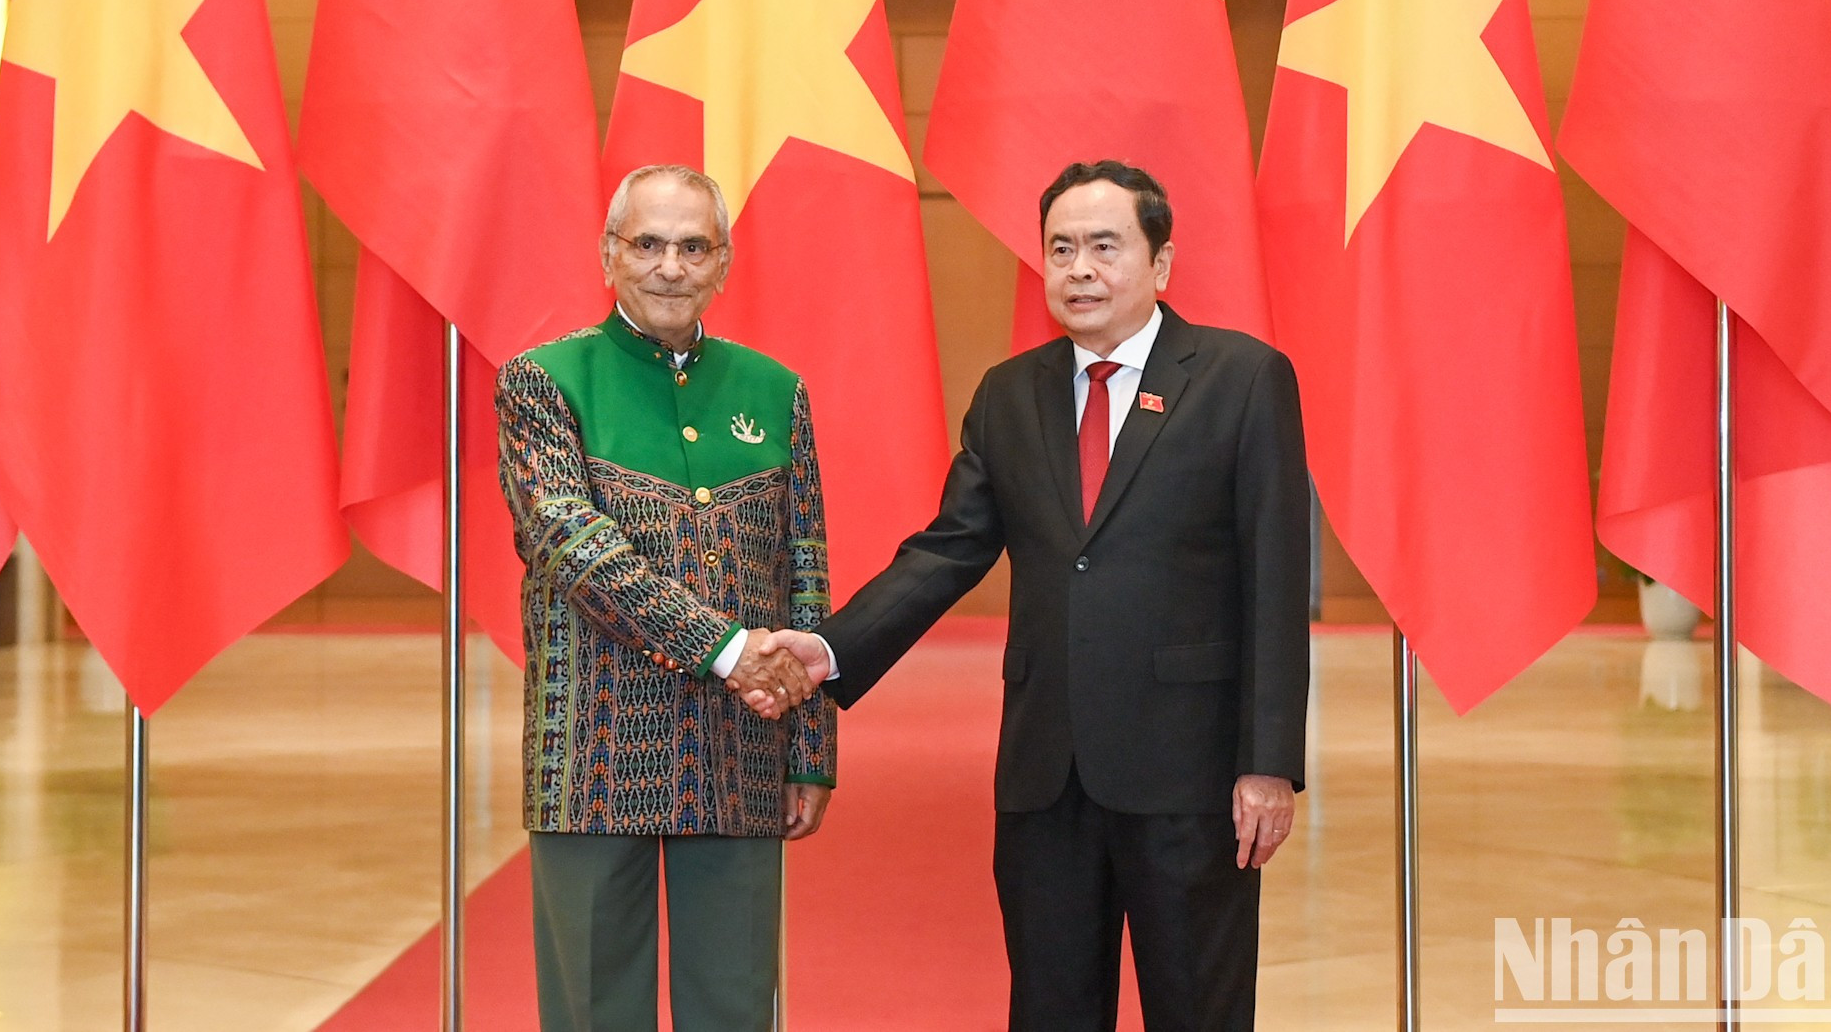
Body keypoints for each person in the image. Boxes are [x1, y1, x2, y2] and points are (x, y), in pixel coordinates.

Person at [766, 160, 1310, 1031]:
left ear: (1160, 264)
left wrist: (1270, 760)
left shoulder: (1243, 379)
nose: (1080, 268)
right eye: (1061, 249)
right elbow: (949, 550)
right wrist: (830, 646)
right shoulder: (1010, 392)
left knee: (1199, 1010)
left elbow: (1276, 580)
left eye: (1105, 245)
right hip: (1044, 778)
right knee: (1050, 1009)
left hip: (1191, 776)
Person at [497, 163, 832, 1032]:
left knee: (735, 1007)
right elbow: (576, 547)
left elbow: (805, 573)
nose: (670, 266)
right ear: (609, 255)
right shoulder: (542, 381)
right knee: (594, 1011)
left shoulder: (775, 390)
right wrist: (729, 649)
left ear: (723, 264)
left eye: (694, 246)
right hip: (593, 752)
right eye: (648, 243)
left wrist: (811, 751)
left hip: (742, 749)